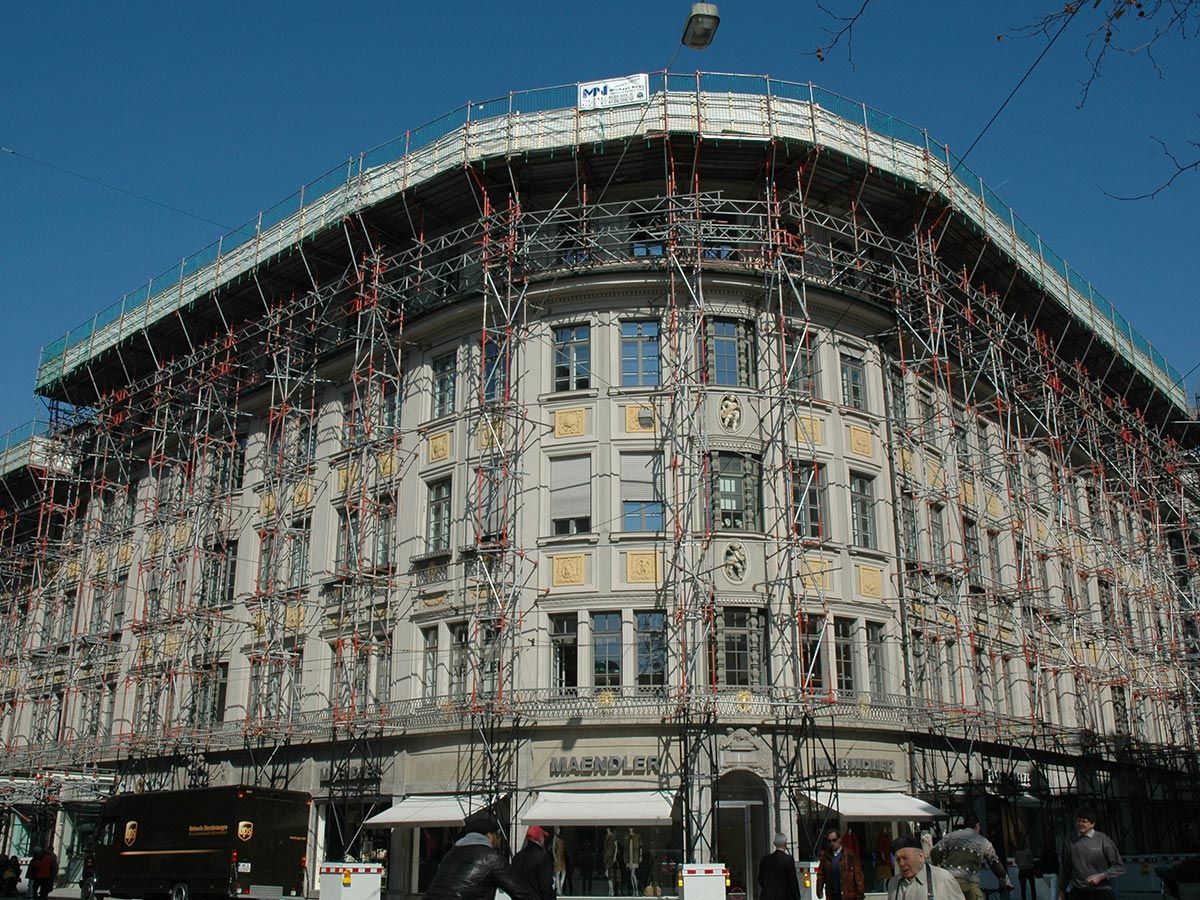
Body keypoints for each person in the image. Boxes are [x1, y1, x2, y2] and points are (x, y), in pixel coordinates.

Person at [422, 814, 533, 900]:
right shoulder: (491, 857)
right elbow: (520, 893)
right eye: (497, 835)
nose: (498, 840)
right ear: (490, 836)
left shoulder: (451, 854)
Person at [931, 815, 1012, 900]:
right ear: (977, 825)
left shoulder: (950, 836)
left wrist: (941, 868)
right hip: (970, 883)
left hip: (949, 880)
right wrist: (1006, 882)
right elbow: (995, 863)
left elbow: (934, 851)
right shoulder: (984, 842)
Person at [1058, 807, 1124, 900]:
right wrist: (1061, 890)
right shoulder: (1070, 839)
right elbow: (1065, 867)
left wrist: (1102, 876)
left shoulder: (1103, 840)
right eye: (1078, 821)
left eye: (1084, 821)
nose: (1080, 824)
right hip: (1079, 892)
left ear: (1092, 824)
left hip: (1101, 891)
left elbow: (1119, 867)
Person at [887, 835, 966, 900]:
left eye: (906, 858)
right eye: (898, 859)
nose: (901, 863)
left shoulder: (943, 879)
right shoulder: (893, 883)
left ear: (921, 856)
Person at [817, 828, 865, 900]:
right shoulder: (826, 857)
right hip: (832, 895)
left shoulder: (850, 855)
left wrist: (860, 895)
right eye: (829, 841)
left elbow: (858, 877)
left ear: (839, 839)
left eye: (834, 840)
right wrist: (819, 890)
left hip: (848, 895)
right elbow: (821, 875)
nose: (832, 843)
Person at [511, 825, 556, 900]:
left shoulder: (517, 857)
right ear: (540, 837)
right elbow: (546, 887)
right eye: (543, 837)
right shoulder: (542, 857)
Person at [757, 832, 802, 900]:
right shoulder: (788, 860)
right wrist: (797, 896)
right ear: (785, 844)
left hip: (767, 896)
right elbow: (792, 881)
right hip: (783, 896)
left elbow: (760, 879)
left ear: (774, 844)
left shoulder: (765, 860)